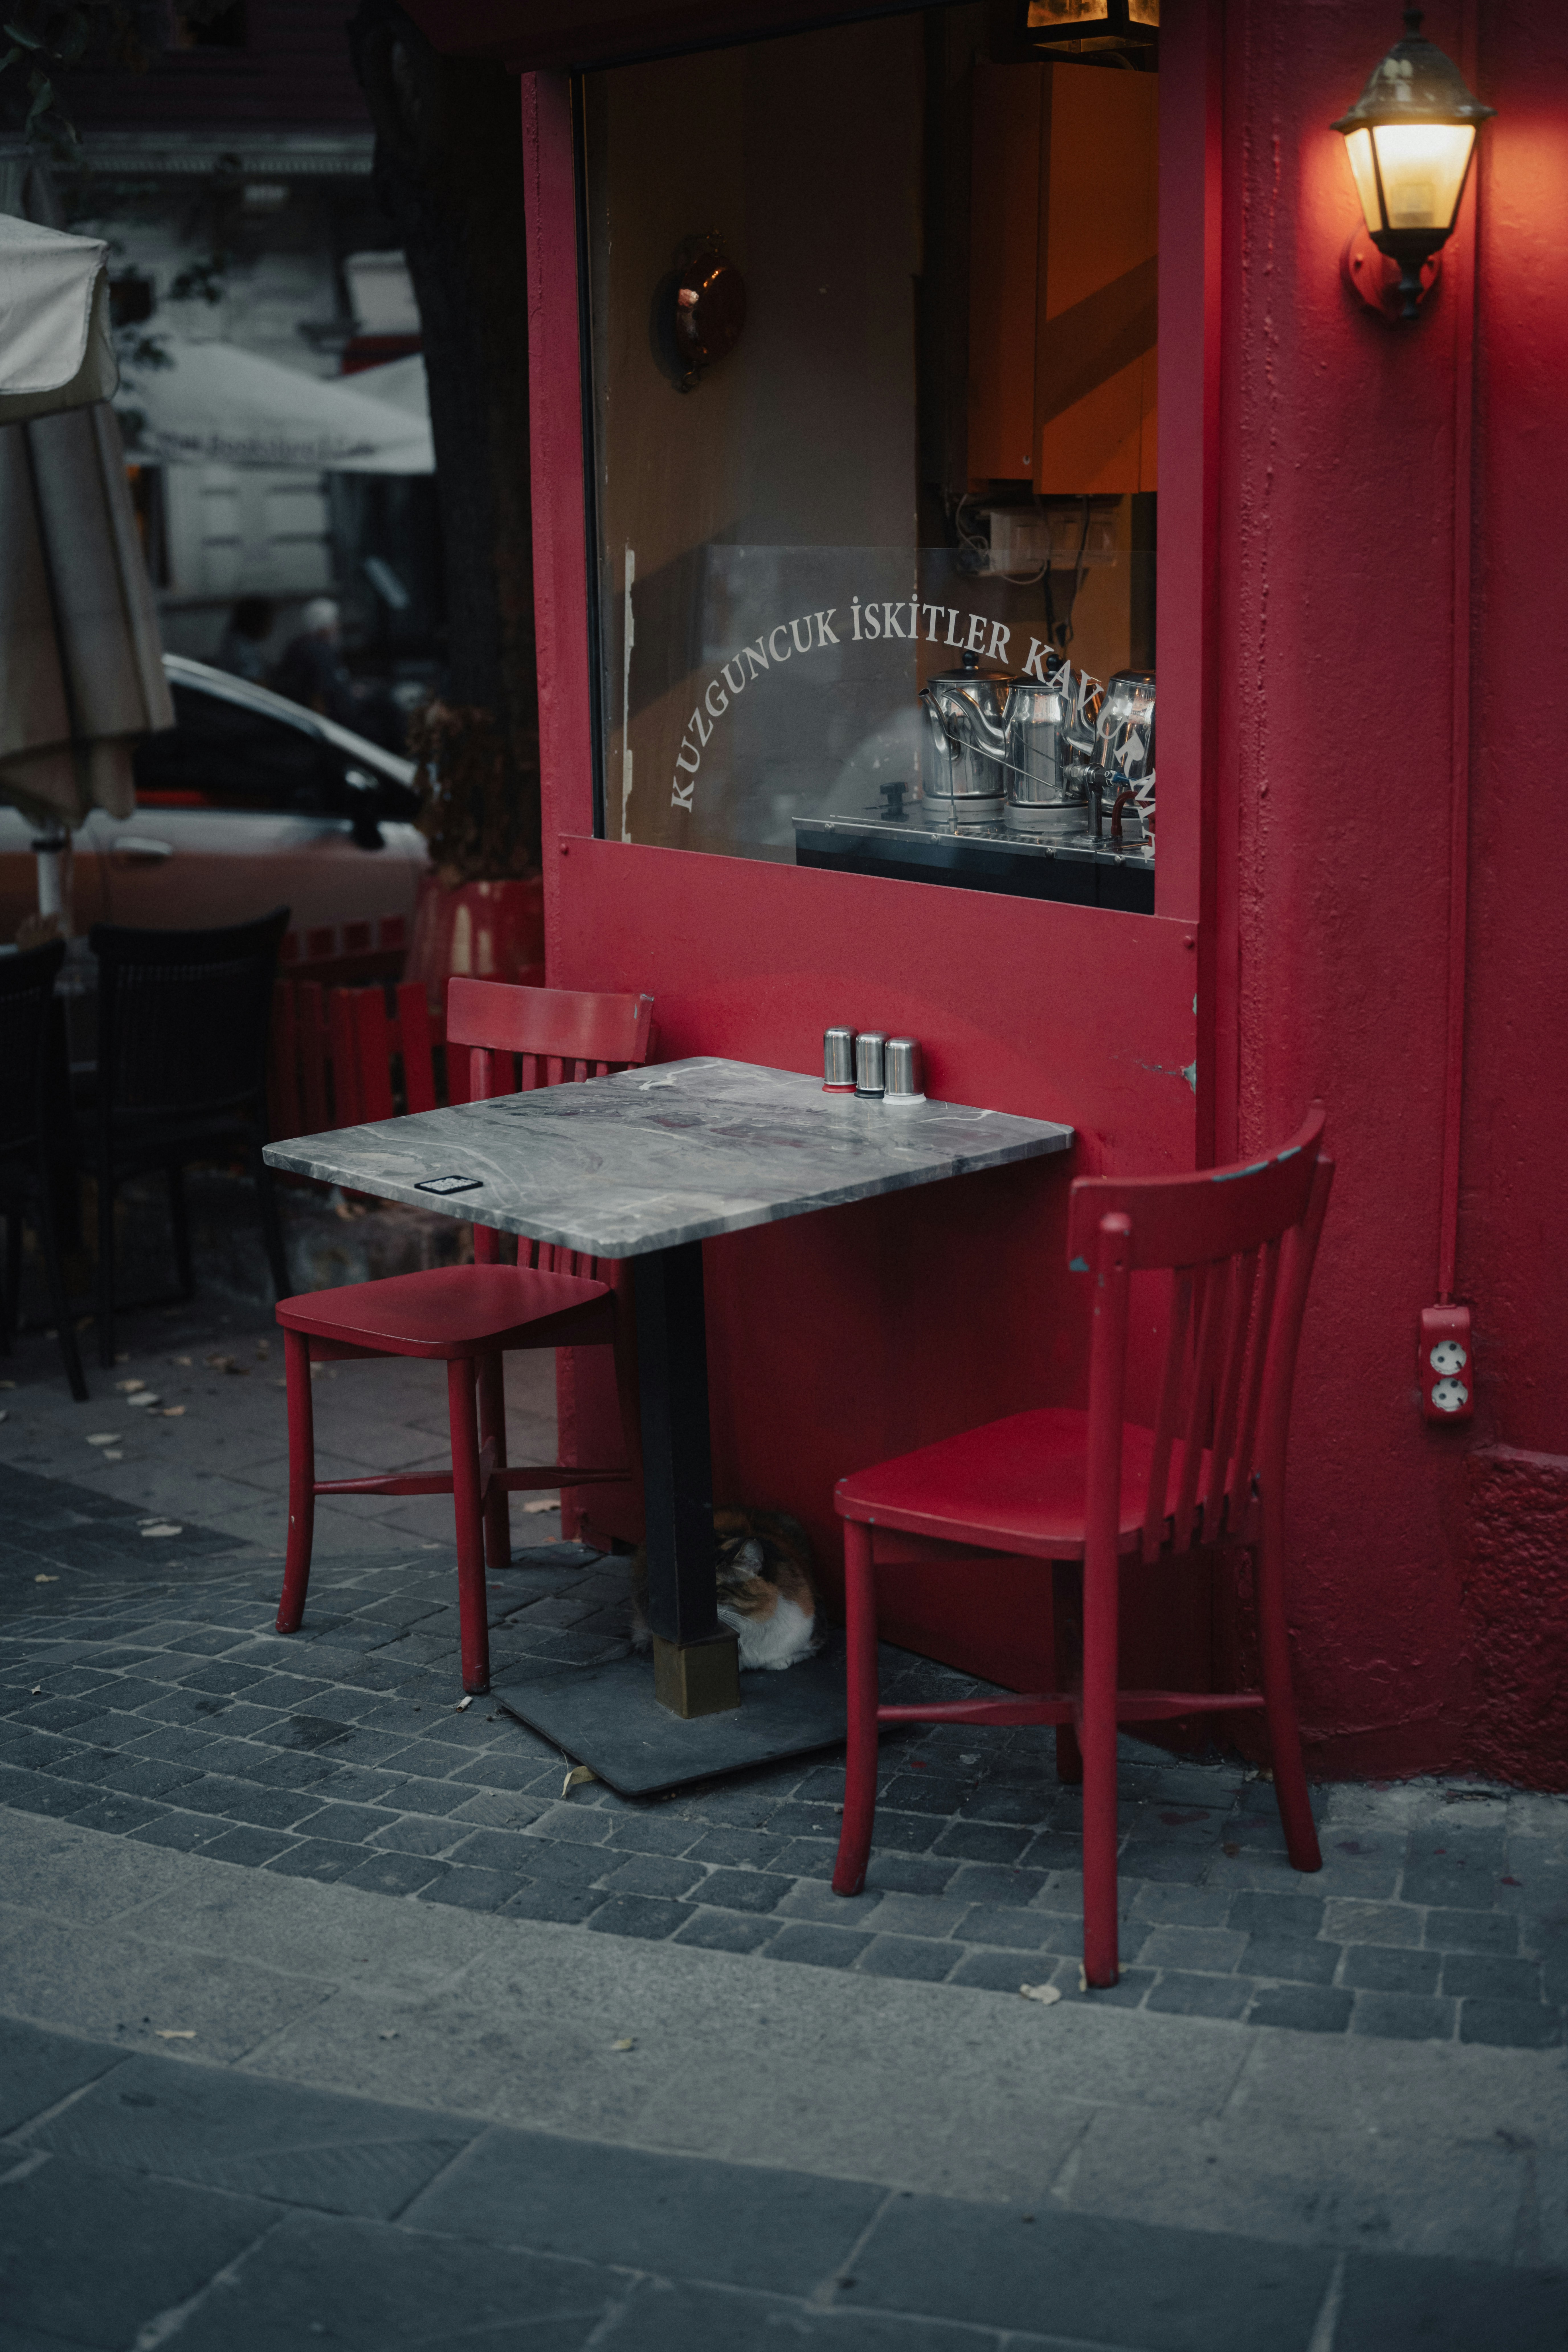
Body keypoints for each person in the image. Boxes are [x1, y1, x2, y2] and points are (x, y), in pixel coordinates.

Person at [270, 597, 356, 726]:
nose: (338, 626)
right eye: (334, 622)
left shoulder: (303, 644)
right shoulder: (318, 651)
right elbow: (318, 699)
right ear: (324, 626)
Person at [212, 595, 275, 684]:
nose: (271, 626)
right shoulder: (242, 649)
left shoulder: (239, 643)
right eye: (269, 621)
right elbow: (256, 683)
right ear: (256, 621)